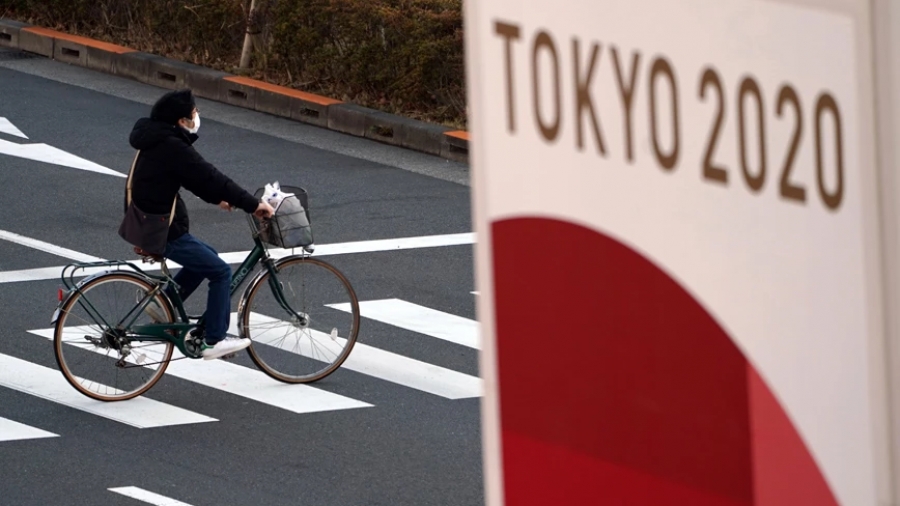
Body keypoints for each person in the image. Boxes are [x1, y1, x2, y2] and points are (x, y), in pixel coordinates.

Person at [126, 88, 274, 360]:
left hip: (151, 221)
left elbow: (193, 178)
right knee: (219, 272)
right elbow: (210, 176)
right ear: (181, 120)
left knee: (208, 259)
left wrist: (219, 198)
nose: (197, 116)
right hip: (162, 228)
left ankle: (166, 303)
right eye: (193, 112)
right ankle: (213, 340)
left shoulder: (157, 138)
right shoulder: (172, 145)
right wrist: (253, 205)